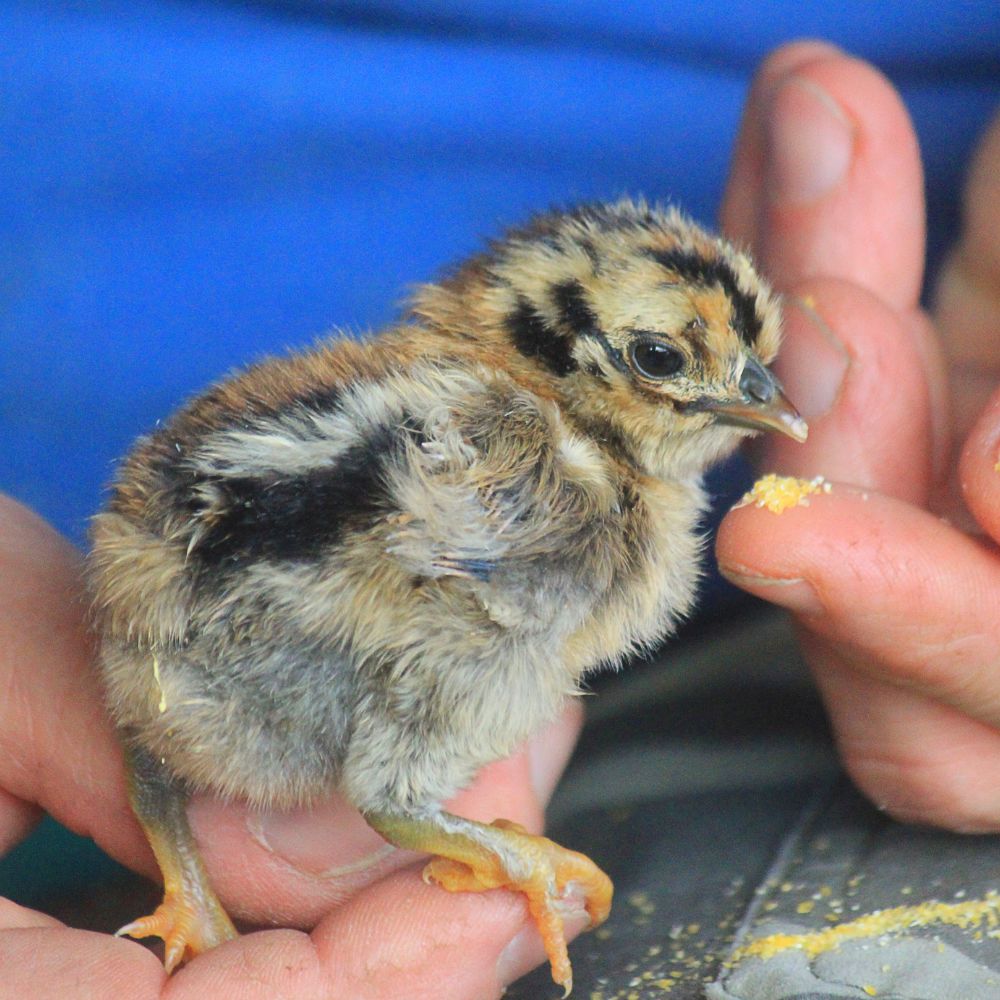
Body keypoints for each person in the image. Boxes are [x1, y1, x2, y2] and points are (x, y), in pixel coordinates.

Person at [0, 39, 998, 998]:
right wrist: (487, 844)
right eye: (660, 361)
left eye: (747, 362)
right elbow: (351, 639)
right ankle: (386, 845)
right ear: (558, 353)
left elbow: (174, 577)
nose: (751, 392)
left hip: (148, 626)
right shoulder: (553, 490)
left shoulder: (451, 416)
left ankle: (187, 884)